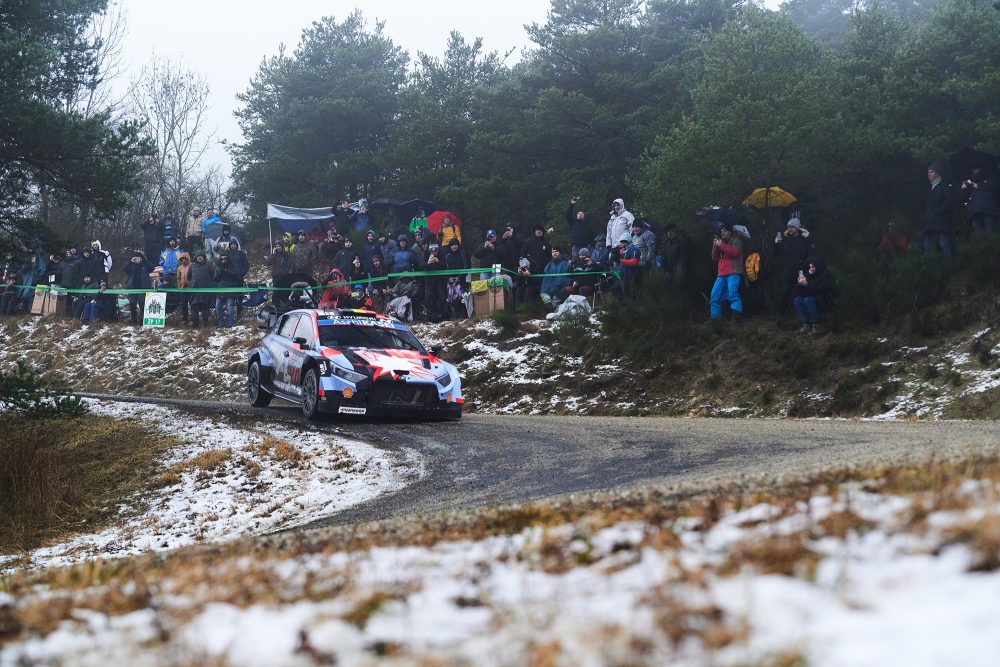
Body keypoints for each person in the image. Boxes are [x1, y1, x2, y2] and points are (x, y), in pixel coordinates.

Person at [773, 217, 814, 314]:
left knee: (801, 294)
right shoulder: (785, 239)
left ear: (797, 228)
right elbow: (776, 254)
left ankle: (801, 316)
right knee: (784, 293)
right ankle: (780, 315)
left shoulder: (804, 239)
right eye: (788, 227)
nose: (789, 229)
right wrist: (776, 244)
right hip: (788, 271)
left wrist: (807, 268)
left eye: (792, 227)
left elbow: (811, 253)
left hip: (801, 271)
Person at [709, 222, 744, 321]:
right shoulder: (721, 242)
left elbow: (735, 253)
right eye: (722, 231)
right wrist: (715, 246)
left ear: (730, 232)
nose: (722, 233)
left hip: (734, 271)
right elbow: (714, 258)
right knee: (714, 295)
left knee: (733, 294)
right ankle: (715, 320)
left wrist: (722, 245)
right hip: (721, 273)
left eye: (725, 231)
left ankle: (737, 318)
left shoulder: (736, 241)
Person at [793, 257, 836, 335]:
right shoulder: (808, 275)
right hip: (811, 298)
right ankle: (806, 325)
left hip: (824, 299)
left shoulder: (825, 275)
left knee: (808, 300)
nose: (811, 269)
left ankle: (816, 326)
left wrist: (806, 284)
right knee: (797, 300)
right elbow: (800, 292)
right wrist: (800, 284)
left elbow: (820, 290)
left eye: (813, 267)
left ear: (818, 266)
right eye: (810, 267)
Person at [923, 162, 955, 257]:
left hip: (941, 220)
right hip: (930, 220)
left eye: (931, 172)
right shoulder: (930, 188)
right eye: (928, 172)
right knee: (926, 245)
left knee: (944, 243)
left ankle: (948, 265)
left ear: (938, 173)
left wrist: (938, 211)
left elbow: (949, 201)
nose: (929, 174)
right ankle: (927, 266)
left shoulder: (945, 186)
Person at [962, 167, 999, 236]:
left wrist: (979, 186)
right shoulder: (972, 181)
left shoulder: (993, 177)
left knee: (990, 231)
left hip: (989, 210)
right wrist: (964, 188)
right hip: (975, 211)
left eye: (977, 169)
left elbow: (995, 187)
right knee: (978, 233)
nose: (975, 171)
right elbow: (968, 195)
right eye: (974, 170)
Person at [123, 250, 154, 326]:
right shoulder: (131, 265)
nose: (137, 260)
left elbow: (152, 268)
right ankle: (133, 321)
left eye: (139, 258)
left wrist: (144, 260)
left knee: (142, 304)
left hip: (143, 288)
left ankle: (142, 321)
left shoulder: (145, 265)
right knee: (132, 304)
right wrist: (131, 261)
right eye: (136, 258)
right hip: (132, 288)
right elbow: (124, 269)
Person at [213, 252, 242, 327]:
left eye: (225, 258)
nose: (223, 259)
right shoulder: (218, 266)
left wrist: (226, 270)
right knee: (217, 306)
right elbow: (215, 278)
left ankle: (230, 322)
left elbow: (236, 276)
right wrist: (220, 272)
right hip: (220, 289)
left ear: (228, 258)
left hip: (230, 288)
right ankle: (221, 322)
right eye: (221, 258)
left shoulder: (232, 265)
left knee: (230, 306)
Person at [187, 252, 214, 329]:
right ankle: (195, 323)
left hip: (205, 291)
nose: (200, 258)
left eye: (201, 256)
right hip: (194, 291)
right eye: (198, 256)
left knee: (205, 307)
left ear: (204, 258)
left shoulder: (208, 265)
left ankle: (205, 324)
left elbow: (213, 275)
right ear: (196, 258)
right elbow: (188, 277)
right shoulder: (192, 266)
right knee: (194, 307)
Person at [611, 233, 640, 299]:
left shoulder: (634, 249)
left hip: (630, 276)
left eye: (624, 242)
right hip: (623, 275)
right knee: (614, 289)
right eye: (622, 242)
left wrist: (620, 260)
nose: (622, 244)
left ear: (628, 241)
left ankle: (629, 307)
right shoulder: (622, 251)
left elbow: (634, 262)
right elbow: (620, 261)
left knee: (628, 296)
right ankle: (621, 306)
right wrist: (614, 257)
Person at [176, 251, 192, 324]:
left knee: (192, 304)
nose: (183, 260)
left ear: (188, 259)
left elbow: (194, 277)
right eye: (182, 259)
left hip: (191, 288)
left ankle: (193, 319)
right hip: (183, 288)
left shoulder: (192, 266)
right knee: (184, 304)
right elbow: (178, 278)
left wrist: (192, 284)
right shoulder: (180, 268)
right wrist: (179, 285)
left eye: (185, 259)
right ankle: (185, 319)